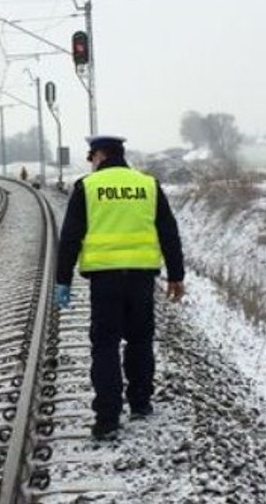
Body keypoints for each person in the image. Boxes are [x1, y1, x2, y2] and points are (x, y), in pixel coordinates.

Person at [55, 134, 185, 440]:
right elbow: (168, 232)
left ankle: (108, 418)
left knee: (105, 345)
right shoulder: (148, 185)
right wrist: (176, 275)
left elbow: (71, 237)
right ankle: (141, 402)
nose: (91, 162)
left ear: (100, 155)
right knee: (140, 340)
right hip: (141, 278)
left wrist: (63, 279)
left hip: (105, 281)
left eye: (91, 157)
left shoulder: (87, 187)